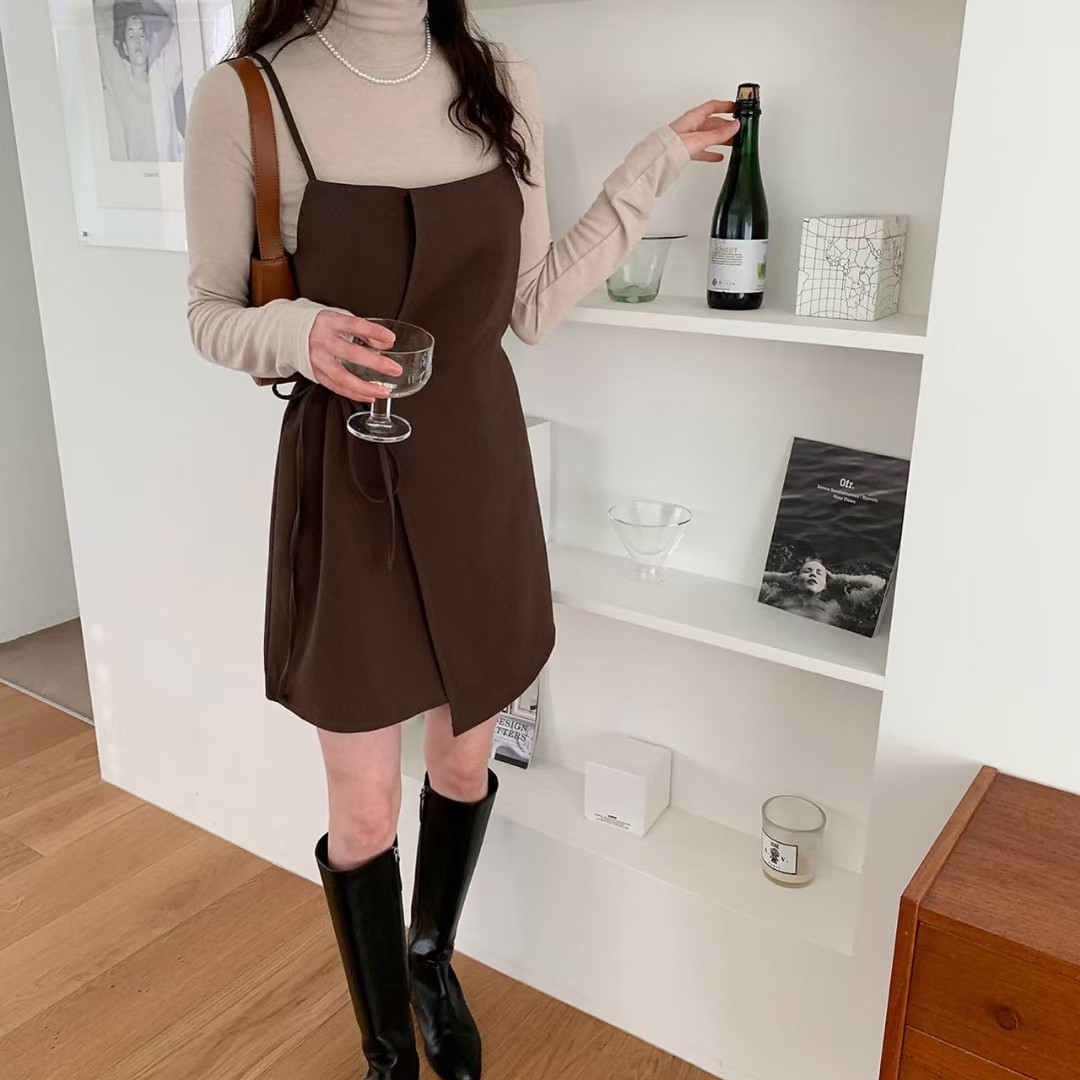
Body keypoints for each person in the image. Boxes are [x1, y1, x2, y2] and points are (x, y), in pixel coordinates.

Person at [183, 3, 737, 1077]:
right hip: (347, 478)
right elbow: (210, 311)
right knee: (363, 804)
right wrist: (300, 331)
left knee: (465, 756)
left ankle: (431, 960)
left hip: (478, 467)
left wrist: (652, 165)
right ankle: (387, 1047)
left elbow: (530, 305)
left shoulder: (500, 78)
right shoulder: (247, 95)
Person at [100, 0, 184, 162]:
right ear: (125, 47)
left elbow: (181, 24)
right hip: (132, 174)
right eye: (131, 36)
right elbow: (100, 19)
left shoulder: (162, 75)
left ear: (148, 43)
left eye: (141, 34)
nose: (138, 41)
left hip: (169, 173)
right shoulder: (120, 80)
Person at [761, 557, 887, 629]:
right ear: (795, 580)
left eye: (819, 573)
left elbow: (877, 584)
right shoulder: (779, 595)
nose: (813, 574)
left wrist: (841, 578)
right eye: (807, 571)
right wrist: (780, 577)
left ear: (826, 583)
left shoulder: (836, 605)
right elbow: (755, 577)